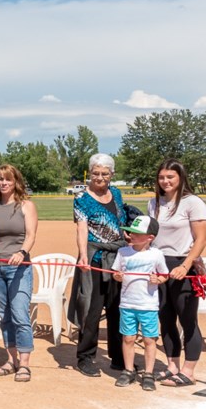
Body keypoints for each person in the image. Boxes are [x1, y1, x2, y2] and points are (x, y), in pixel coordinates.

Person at [70, 153, 133, 378]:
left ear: (111, 175)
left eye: (104, 173)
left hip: (118, 257)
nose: (99, 177)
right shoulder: (81, 198)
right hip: (95, 257)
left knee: (117, 308)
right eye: (95, 173)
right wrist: (82, 255)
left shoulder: (116, 193)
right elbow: (81, 228)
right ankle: (85, 356)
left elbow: (121, 222)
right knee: (92, 310)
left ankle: (118, 357)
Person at [148, 158, 206, 387]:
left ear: (180, 178)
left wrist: (185, 266)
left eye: (170, 177)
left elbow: (201, 240)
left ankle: (189, 370)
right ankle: (172, 365)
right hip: (159, 264)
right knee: (165, 318)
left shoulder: (193, 203)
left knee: (187, 319)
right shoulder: (154, 203)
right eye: (162, 177)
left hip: (184, 264)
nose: (165, 181)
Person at [0, 164, 38, 383]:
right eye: (0, 179)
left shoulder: (26, 206)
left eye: (8, 179)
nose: (4, 183)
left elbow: (31, 235)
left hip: (19, 268)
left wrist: (22, 252)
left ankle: (24, 364)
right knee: (5, 316)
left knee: (19, 314)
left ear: (16, 181)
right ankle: (11, 359)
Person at [111, 215, 169, 391]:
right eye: (130, 232)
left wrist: (157, 280)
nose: (131, 235)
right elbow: (115, 273)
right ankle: (128, 370)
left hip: (147, 306)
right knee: (128, 338)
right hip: (127, 304)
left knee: (149, 340)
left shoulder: (156, 254)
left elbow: (164, 275)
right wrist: (118, 276)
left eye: (136, 233)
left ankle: (148, 373)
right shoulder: (123, 252)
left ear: (150, 237)